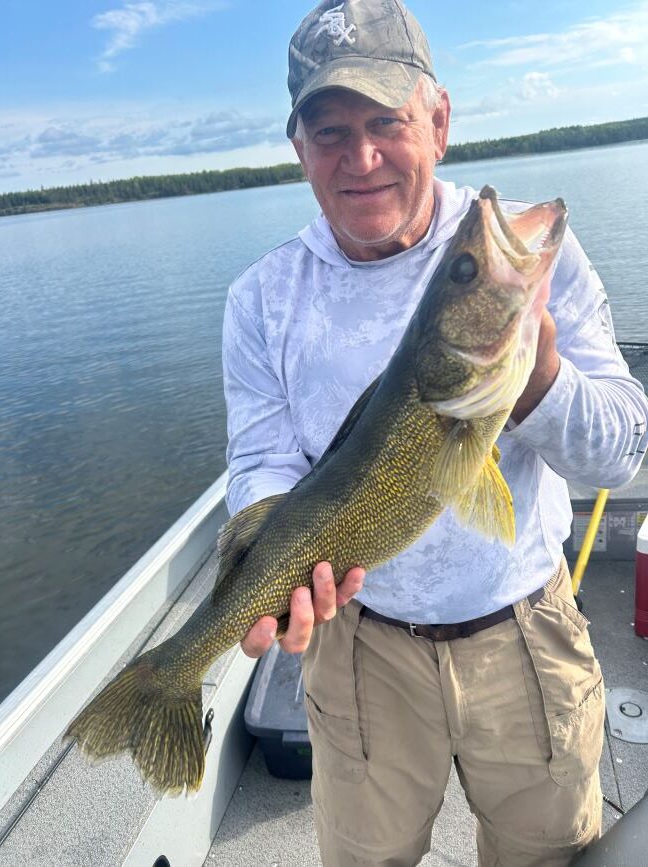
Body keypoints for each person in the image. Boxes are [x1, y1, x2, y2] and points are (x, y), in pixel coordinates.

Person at [222, 1, 648, 864]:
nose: (363, 156)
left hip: (527, 635)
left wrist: (541, 384)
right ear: (298, 147)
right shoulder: (262, 298)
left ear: (440, 121)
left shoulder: (529, 261)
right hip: (358, 650)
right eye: (331, 131)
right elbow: (264, 460)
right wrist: (280, 561)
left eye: (388, 122)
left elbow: (625, 451)